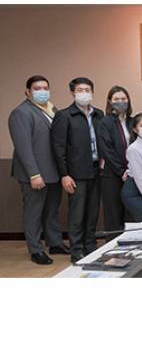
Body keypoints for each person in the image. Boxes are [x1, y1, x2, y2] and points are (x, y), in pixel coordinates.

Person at [8, 75, 68, 265]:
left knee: (52, 210)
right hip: (35, 174)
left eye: (45, 88)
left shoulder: (51, 109)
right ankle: (35, 249)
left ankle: (55, 243)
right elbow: (23, 147)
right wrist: (34, 174)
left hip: (53, 171)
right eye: (37, 88)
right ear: (27, 92)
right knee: (34, 212)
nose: (42, 92)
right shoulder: (21, 113)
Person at [51, 77, 104, 263]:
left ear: (92, 92)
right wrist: (64, 175)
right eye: (80, 90)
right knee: (77, 214)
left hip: (96, 170)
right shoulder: (64, 115)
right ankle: (77, 249)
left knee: (92, 212)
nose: (84, 93)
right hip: (76, 173)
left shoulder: (98, 114)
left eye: (87, 90)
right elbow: (58, 148)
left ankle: (90, 246)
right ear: (73, 93)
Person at [97, 86, 133, 242]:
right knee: (113, 212)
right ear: (110, 101)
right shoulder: (105, 122)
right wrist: (121, 170)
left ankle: (130, 243)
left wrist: (130, 170)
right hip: (111, 174)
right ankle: (112, 246)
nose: (121, 102)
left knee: (129, 211)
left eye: (123, 99)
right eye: (117, 99)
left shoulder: (132, 121)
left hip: (131, 172)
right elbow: (106, 150)